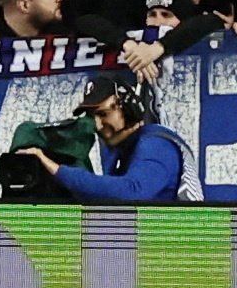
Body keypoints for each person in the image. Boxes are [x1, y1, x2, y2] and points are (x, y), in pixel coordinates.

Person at [10, 68, 186, 201]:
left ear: (128, 108)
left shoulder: (156, 144)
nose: (98, 125)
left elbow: (132, 190)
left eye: (103, 114)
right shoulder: (124, 150)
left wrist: (56, 169)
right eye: (91, 117)